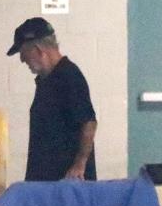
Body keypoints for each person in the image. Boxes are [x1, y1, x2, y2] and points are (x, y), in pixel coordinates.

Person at [7, 17, 98, 181]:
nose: (22, 60)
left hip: (66, 180)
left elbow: (88, 122)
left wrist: (79, 165)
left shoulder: (69, 76)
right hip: (46, 179)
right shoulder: (45, 80)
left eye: (23, 53)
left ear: (37, 49)